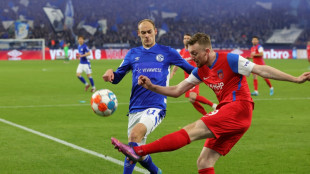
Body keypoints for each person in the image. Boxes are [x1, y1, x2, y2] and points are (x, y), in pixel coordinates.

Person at [111, 33, 310, 174]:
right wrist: (152, 86)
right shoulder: (200, 70)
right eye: (190, 53)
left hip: (239, 108)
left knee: (193, 128)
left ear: (207, 51)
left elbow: (262, 70)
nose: (191, 57)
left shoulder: (231, 59)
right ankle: (138, 151)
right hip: (231, 116)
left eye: (195, 54)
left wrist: (295, 79)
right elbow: (177, 91)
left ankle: (138, 150)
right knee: (204, 162)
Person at [102, 19, 194, 174]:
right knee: (137, 150)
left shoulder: (168, 52)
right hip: (135, 108)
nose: (146, 35)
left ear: (155, 31)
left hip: (156, 106)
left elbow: (191, 70)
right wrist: (110, 73)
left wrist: (210, 75)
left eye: (149, 32)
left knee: (134, 136)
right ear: (138, 34)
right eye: (143, 33)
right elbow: (117, 77)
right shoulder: (133, 54)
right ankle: (156, 172)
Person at [170, 33, 217, 115]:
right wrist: (173, 72)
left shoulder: (194, 51)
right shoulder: (181, 52)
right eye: (185, 38)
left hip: (195, 76)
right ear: (183, 40)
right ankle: (206, 115)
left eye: (188, 38)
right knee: (192, 100)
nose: (186, 40)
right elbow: (178, 63)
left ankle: (214, 105)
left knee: (193, 96)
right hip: (187, 78)